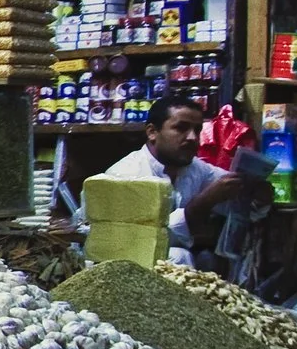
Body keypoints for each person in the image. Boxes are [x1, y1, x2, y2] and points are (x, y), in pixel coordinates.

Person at [100, 95, 242, 269]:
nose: (192, 138)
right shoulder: (127, 176)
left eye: (197, 130)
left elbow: (230, 189)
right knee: (177, 257)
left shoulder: (194, 167)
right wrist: (204, 202)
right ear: (152, 132)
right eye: (181, 128)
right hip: (128, 267)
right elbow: (147, 240)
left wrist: (254, 193)